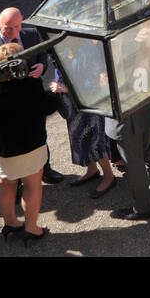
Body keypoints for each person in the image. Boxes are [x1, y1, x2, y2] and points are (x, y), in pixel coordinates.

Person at [0, 43, 61, 245]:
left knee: (5, 185)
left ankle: (11, 223)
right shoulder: (29, 85)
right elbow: (46, 107)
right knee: (32, 186)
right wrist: (55, 93)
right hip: (28, 146)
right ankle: (32, 228)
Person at [0, 8, 65, 184]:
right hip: (5, 106)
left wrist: (41, 66)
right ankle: (15, 185)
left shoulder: (30, 35)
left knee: (39, 135)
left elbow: (41, 54)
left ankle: (44, 169)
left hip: (30, 96)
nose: (13, 32)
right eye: (8, 28)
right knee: (11, 144)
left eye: (17, 26)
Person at [49, 52, 117, 200]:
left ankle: (109, 176)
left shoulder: (85, 54)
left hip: (88, 106)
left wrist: (65, 88)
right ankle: (92, 170)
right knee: (81, 139)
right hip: (73, 108)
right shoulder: (59, 52)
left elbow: (94, 84)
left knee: (95, 142)